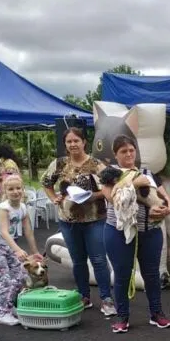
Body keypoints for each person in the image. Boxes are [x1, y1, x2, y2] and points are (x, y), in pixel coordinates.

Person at [102, 135, 170, 333]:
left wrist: (166, 208)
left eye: (131, 150)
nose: (129, 154)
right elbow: (112, 197)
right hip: (118, 232)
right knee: (122, 275)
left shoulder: (147, 173)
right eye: (123, 151)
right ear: (115, 154)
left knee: (152, 274)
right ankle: (122, 317)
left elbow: (164, 197)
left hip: (150, 230)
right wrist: (134, 183)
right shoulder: (110, 174)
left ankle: (157, 314)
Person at [41, 127, 116, 316]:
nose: (73, 144)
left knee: (98, 259)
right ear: (65, 144)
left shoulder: (96, 164)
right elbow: (46, 183)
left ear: (84, 142)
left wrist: (94, 195)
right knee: (78, 261)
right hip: (68, 220)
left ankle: (106, 299)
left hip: (94, 219)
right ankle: (84, 296)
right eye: (69, 141)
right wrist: (53, 198)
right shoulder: (58, 164)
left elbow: (111, 187)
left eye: (77, 140)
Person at [0, 174, 43, 326]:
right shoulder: (4, 208)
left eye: (18, 188)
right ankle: (2, 313)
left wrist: (35, 252)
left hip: (8, 247)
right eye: (11, 189)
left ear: (23, 189)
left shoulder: (22, 207)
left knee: (21, 276)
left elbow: (28, 230)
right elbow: (4, 231)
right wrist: (17, 250)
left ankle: (9, 306)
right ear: (5, 191)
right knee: (5, 280)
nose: (15, 192)